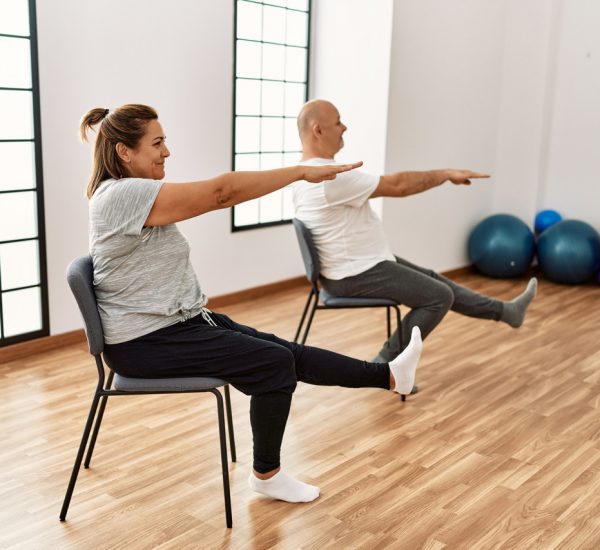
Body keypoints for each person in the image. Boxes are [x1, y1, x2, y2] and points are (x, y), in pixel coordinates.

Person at [81, 103, 423, 504]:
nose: (166, 152)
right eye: (157, 143)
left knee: (284, 352)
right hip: (144, 343)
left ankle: (390, 376)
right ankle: (267, 475)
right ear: (124, 152)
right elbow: (221, 192)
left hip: (178, 324)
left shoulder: (136, 193)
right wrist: (299, 170)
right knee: (273, 364)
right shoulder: (120, 196)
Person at [293, 99, 537, 364]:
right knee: (438, 296)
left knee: (435, 282)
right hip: (354, 273)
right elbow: (398, 186)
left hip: (360, 264)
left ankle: (506, 311)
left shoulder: (306, 175)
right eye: (338, 121)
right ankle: (383, 365)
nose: (344, 127)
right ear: (318, 130)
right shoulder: (329, 177)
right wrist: (445, 174)